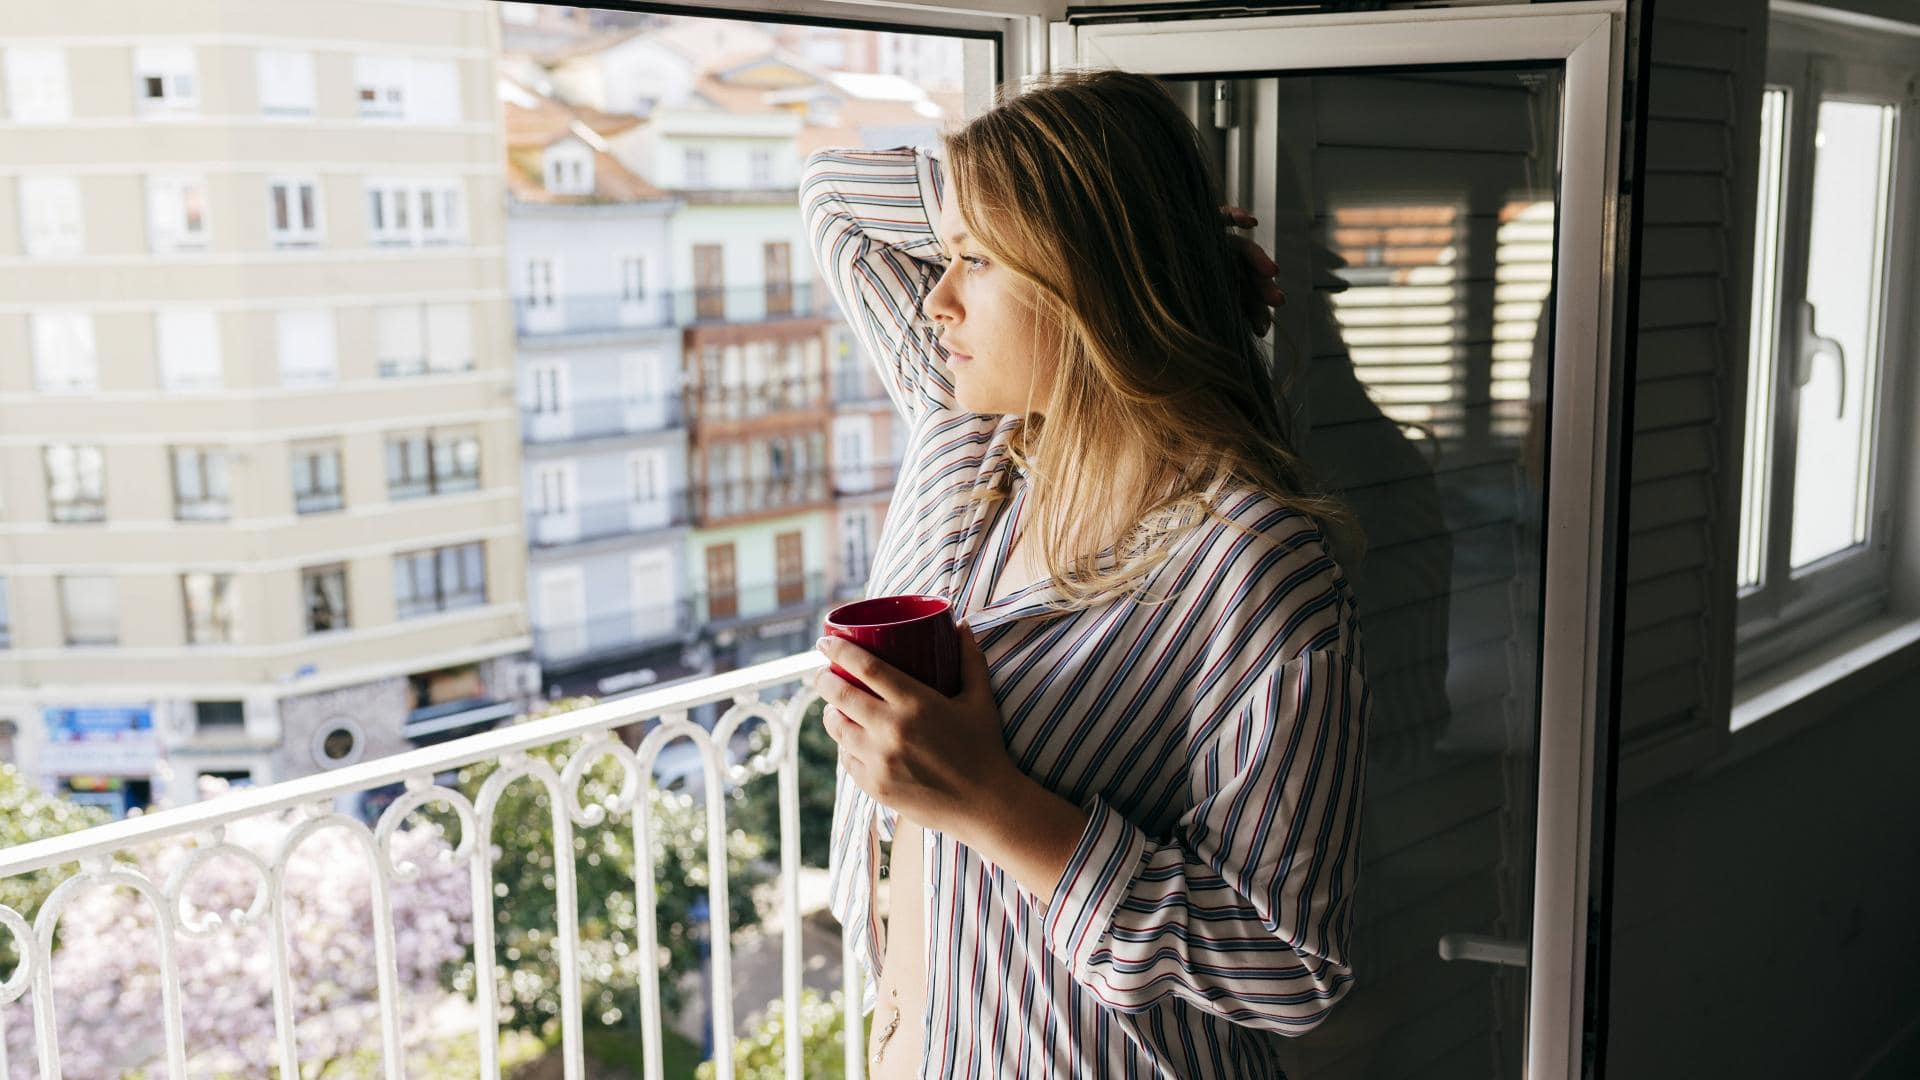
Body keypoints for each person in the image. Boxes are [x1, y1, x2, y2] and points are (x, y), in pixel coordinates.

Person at [800, 67, 1371, 1079]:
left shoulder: (1251, 565)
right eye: (945, 254)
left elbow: (1292, 969)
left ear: (1087, 283)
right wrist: (1181, 232)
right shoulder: (969, 434)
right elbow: (836, 197)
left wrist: (995, 805)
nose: (935, 300)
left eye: (971, 261)